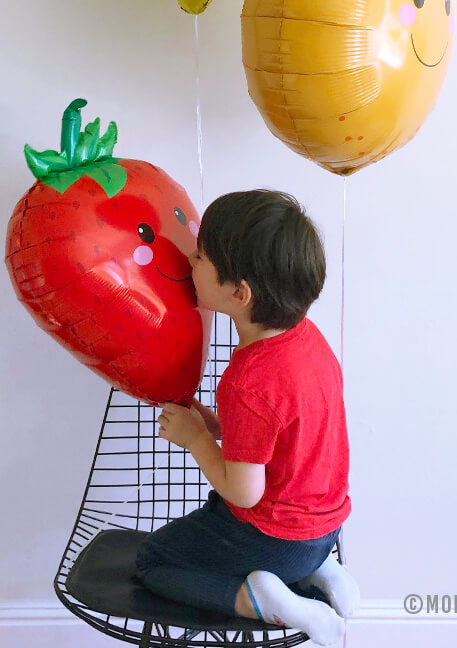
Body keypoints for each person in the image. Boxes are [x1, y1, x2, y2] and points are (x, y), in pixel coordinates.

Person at [135, 190, 359, 645]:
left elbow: (243, 489)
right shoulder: (308, 340)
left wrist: (198, 439)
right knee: (225, 521)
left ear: (239, 293)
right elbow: (286, 435)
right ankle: (321, 570)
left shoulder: (249, 380)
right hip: (324, 528)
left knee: (153, 562)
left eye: (200, 257)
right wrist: (223, 426)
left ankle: (258, 598)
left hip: (276, 541)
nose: (188, 261)